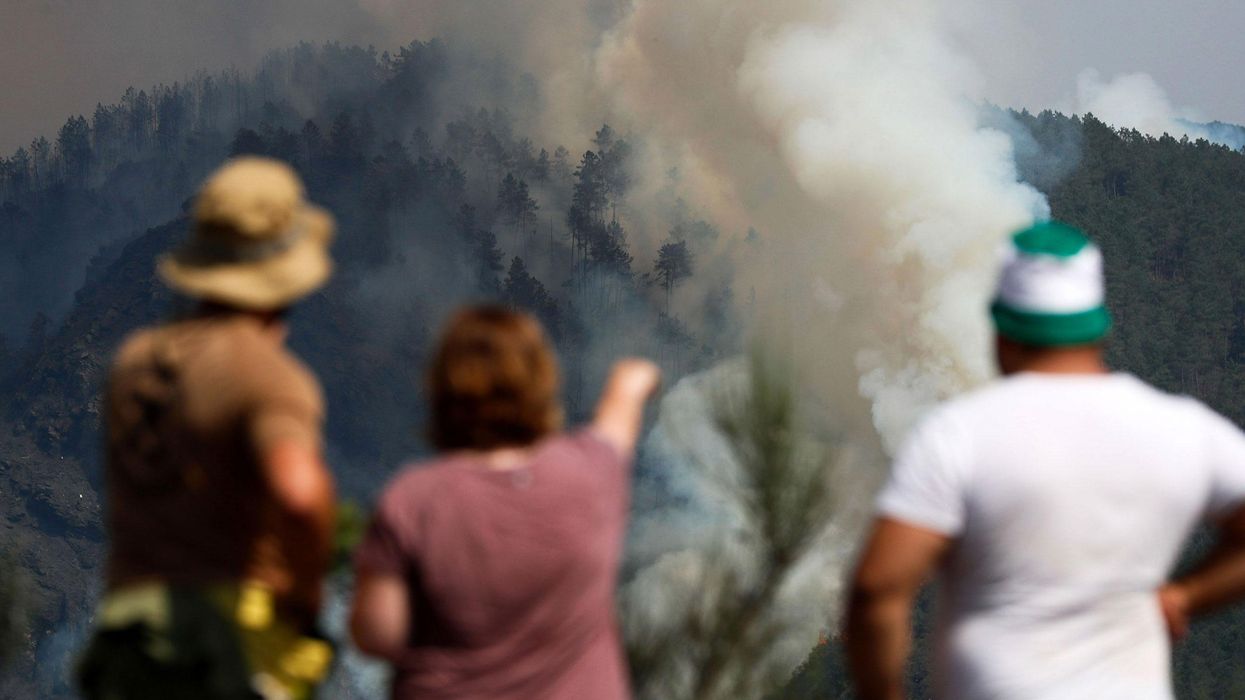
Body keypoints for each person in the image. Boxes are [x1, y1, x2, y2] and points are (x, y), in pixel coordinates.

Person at [845, 221, 1245, 700]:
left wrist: (881, 692)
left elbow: (877, 588)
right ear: (1099, 328)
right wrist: (1185, 596)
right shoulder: (1184, 428)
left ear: (1001, 332)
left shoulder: (958, 434)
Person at [78, 157, 338, 700]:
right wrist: (305, 595)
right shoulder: (270, 377)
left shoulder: (132, 363)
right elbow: (299, 493)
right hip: (223, 647)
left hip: (127, 639)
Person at [350, 306, 660, 700]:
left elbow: (377, 635)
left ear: (442, 391)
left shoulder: (413, 500)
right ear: (540, 384)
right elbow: (619, 418)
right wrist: (636, 378)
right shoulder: (591, 473)